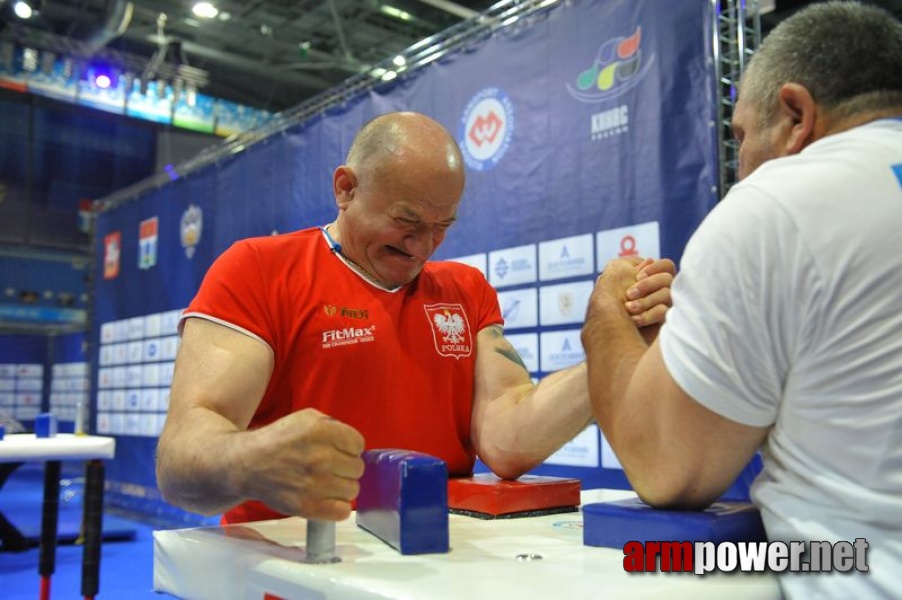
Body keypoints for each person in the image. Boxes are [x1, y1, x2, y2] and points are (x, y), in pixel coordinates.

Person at [155, 111, 675, 525]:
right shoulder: (259, 270)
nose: (422, 244)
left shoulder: (465, 291)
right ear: (345, 188)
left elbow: (506, 438)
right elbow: (181, 458)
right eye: (406, 219)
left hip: (432, 564)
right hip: (291, 565)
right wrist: (249, 460)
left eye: (442, 225)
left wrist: (612, 346)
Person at [581, 2, 902, 597]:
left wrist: (605, 310)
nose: (741, 165)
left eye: (742, 136)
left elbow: (666, 469)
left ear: (796, 115)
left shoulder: (780, 203)